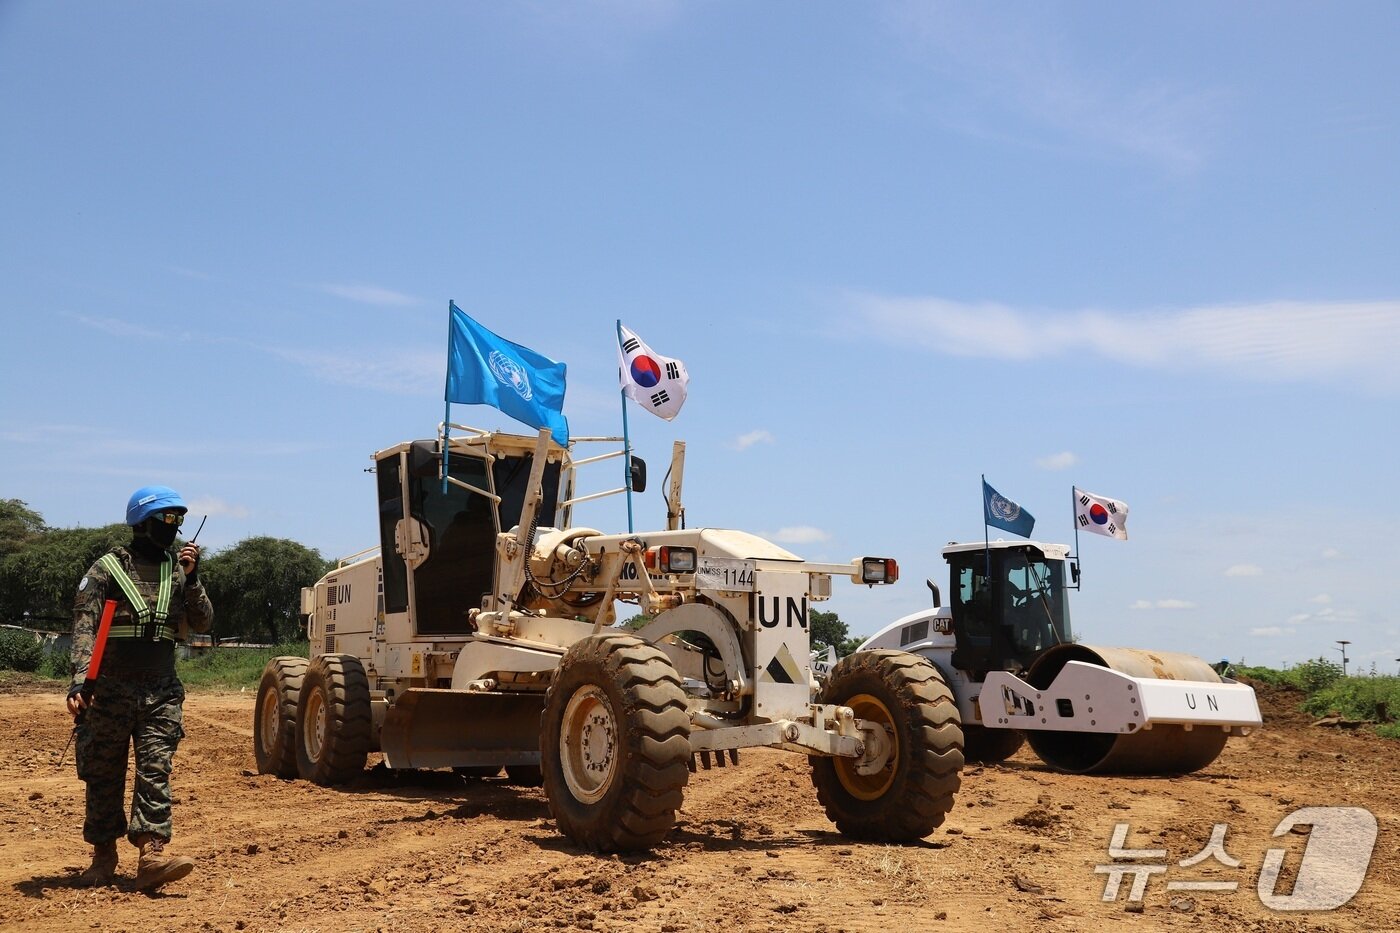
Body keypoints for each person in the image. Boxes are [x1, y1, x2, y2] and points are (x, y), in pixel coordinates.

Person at [66, 485, 213, 890]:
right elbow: (84, 628)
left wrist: (194, 578)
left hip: (161, 690)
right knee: (103, 773)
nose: (175, 527)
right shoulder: (106, 570)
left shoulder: (178, 572)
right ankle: (102, 855)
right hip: (109, 689)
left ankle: (151, 854)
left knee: (155, 769)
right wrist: (80, 681)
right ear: (143, 523)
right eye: (167, 519)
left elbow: (203, 622)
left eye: (179, 520)